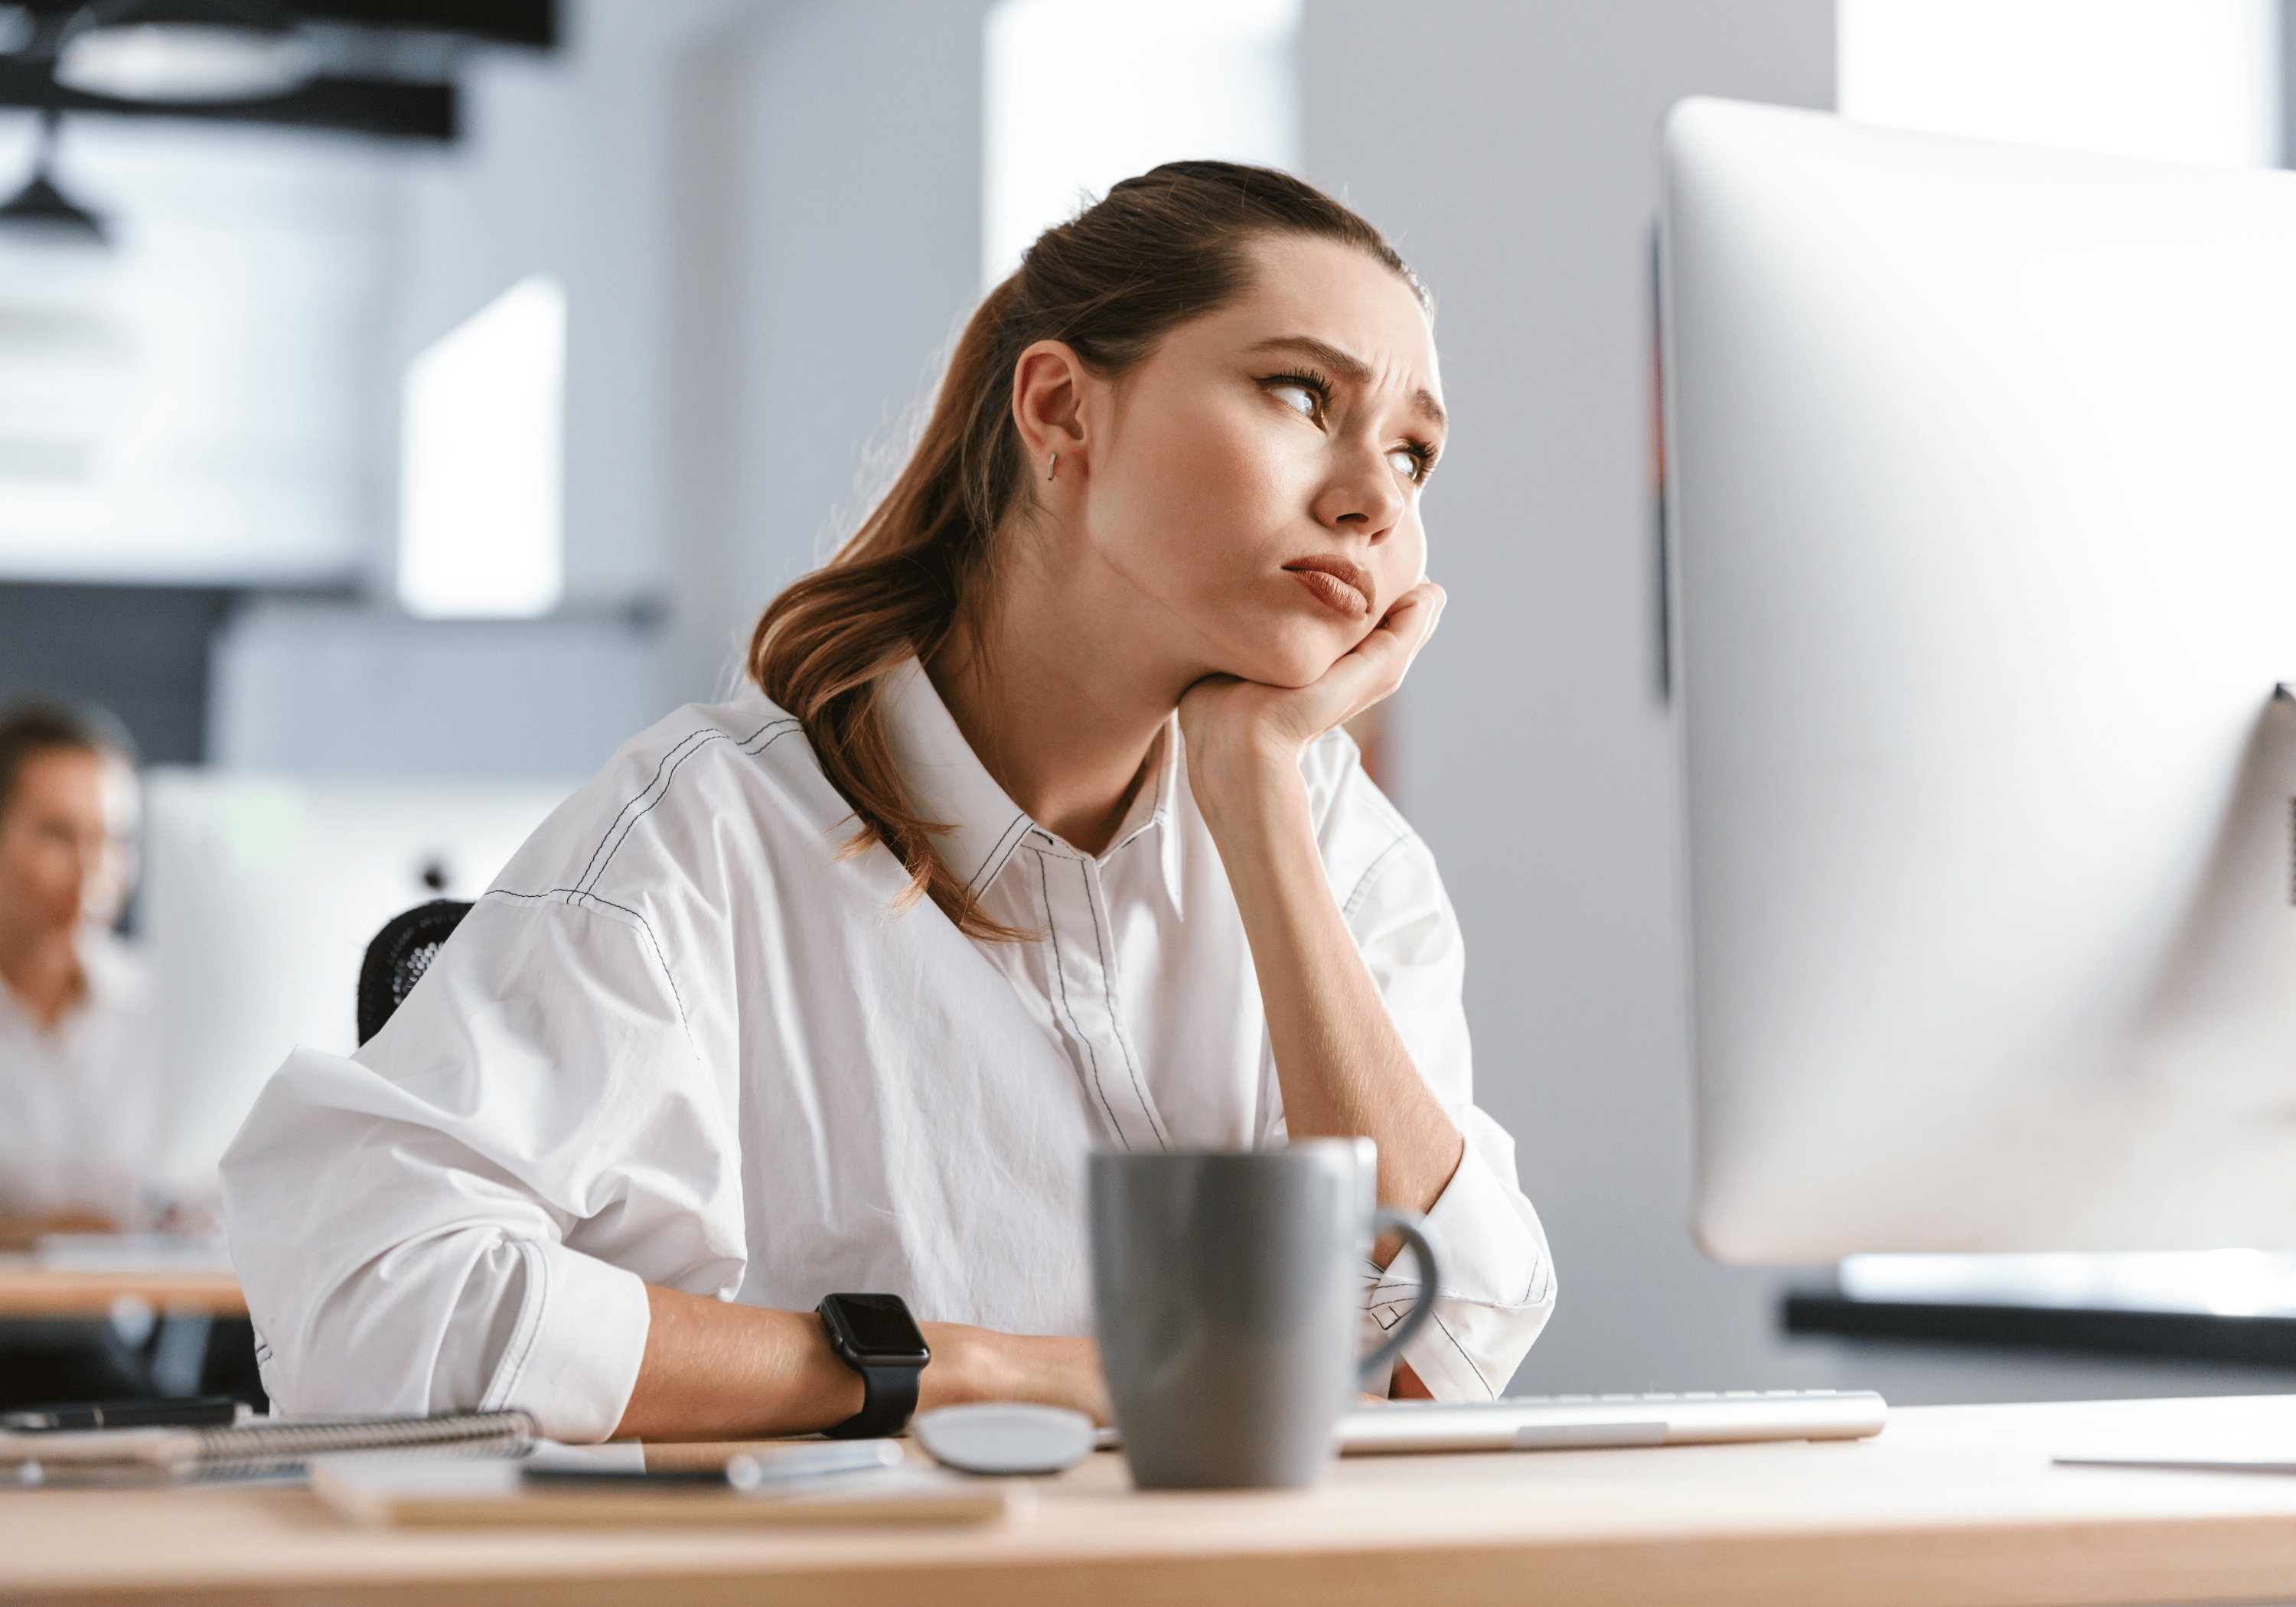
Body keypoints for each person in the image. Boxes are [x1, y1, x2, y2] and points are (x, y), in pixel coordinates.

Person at [223, 162, 1557, 1442]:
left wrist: (1261, 811)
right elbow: (366, 1306)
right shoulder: (707, 839)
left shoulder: (1335, 851)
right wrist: (957, 1367)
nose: (1377, 497)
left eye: (1418, 454)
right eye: (1301, 394)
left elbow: (1443, 1362)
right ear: (1060, 412)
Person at [0, 701, 158, 1253]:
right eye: (57, 836)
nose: (93, 870)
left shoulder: (163, 1010)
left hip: (134, 1327)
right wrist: (36, 1236)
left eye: (114, 840)